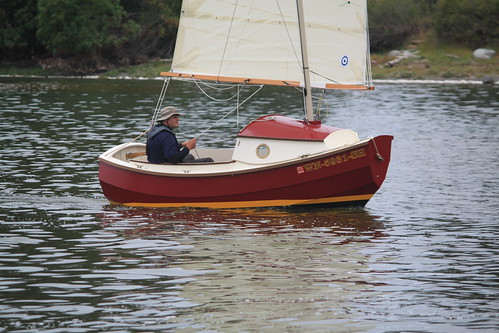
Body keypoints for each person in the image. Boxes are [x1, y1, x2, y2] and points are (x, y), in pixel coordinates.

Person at [146, 106, 214, 164]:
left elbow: (165, 148)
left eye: (177, 117)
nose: (178, 119)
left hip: (157, 163)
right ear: (166, 120)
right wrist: (188, 148)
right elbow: (174, 159)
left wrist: (182, 145)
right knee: (209, 160)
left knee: (190, 156)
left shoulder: (156, 131)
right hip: (166, 166)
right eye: (175, 117)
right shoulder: (166, 135)